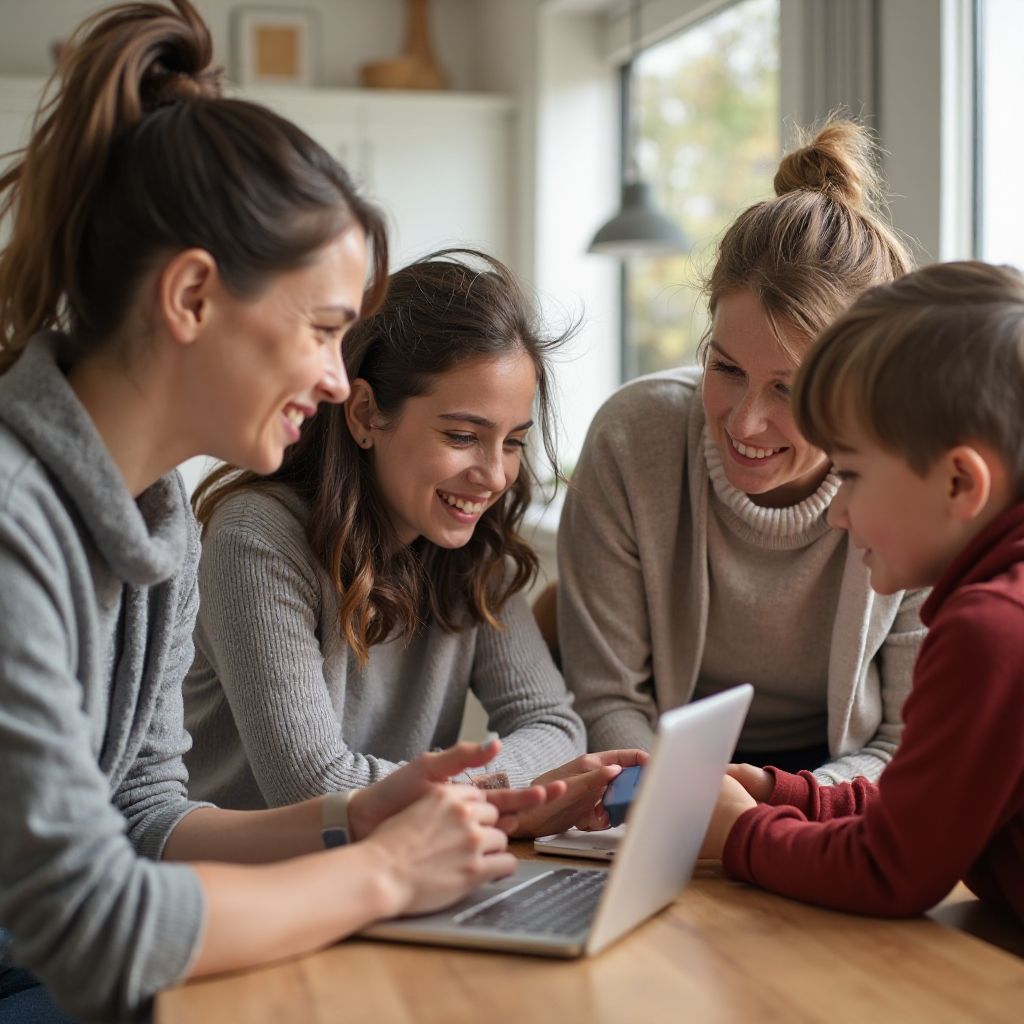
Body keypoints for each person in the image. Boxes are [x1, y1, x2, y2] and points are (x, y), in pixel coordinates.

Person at [0, 5, 556, 1022]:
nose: (339, 382)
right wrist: (382, 870)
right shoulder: (15, 520)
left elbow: (147, 813)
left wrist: (359, 813)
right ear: (192, 298)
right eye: (323, 330)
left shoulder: (159, 516)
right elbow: (94, 926)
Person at [184, 250, 644, 838]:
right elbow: (316, 789)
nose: (494, 476)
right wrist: (505, 798)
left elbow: (556, 727)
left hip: (403, 861)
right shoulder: (256, 540)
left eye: (512, 442)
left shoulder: (472, 545)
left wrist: (479, 798)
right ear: (365, 414)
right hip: (258, 878)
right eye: (462, 435)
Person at [558, 121, 926, 782]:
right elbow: (609, 703)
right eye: (726, 369)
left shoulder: (916, 483)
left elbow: (908, 742)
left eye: (788, 388)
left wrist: (773, 803)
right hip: (661, 774)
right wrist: (681, 796)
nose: (745, 423)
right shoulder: (632, 439)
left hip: (839, 789)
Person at [702, 260, 1024, 922]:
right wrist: (787, 795)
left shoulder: (991, 630)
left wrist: (739, 833)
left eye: (850, 475)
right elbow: (930, 807)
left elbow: (889, 869)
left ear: (960, 484)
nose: (838, 514)